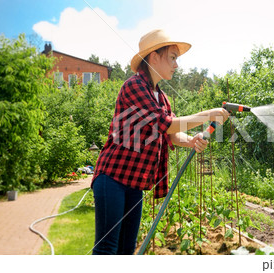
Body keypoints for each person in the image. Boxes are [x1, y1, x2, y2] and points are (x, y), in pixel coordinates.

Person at [91, 29, 229, 255]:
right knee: (107, 249)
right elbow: (164, 123)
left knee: (126, 250)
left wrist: (191, 140)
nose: (177, 65)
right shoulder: (134, 86)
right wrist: (207, 115)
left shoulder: (161, 97)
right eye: (173, 57)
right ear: (154, 57)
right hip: (113, 178)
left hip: (134, 183)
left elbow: (171, 134)